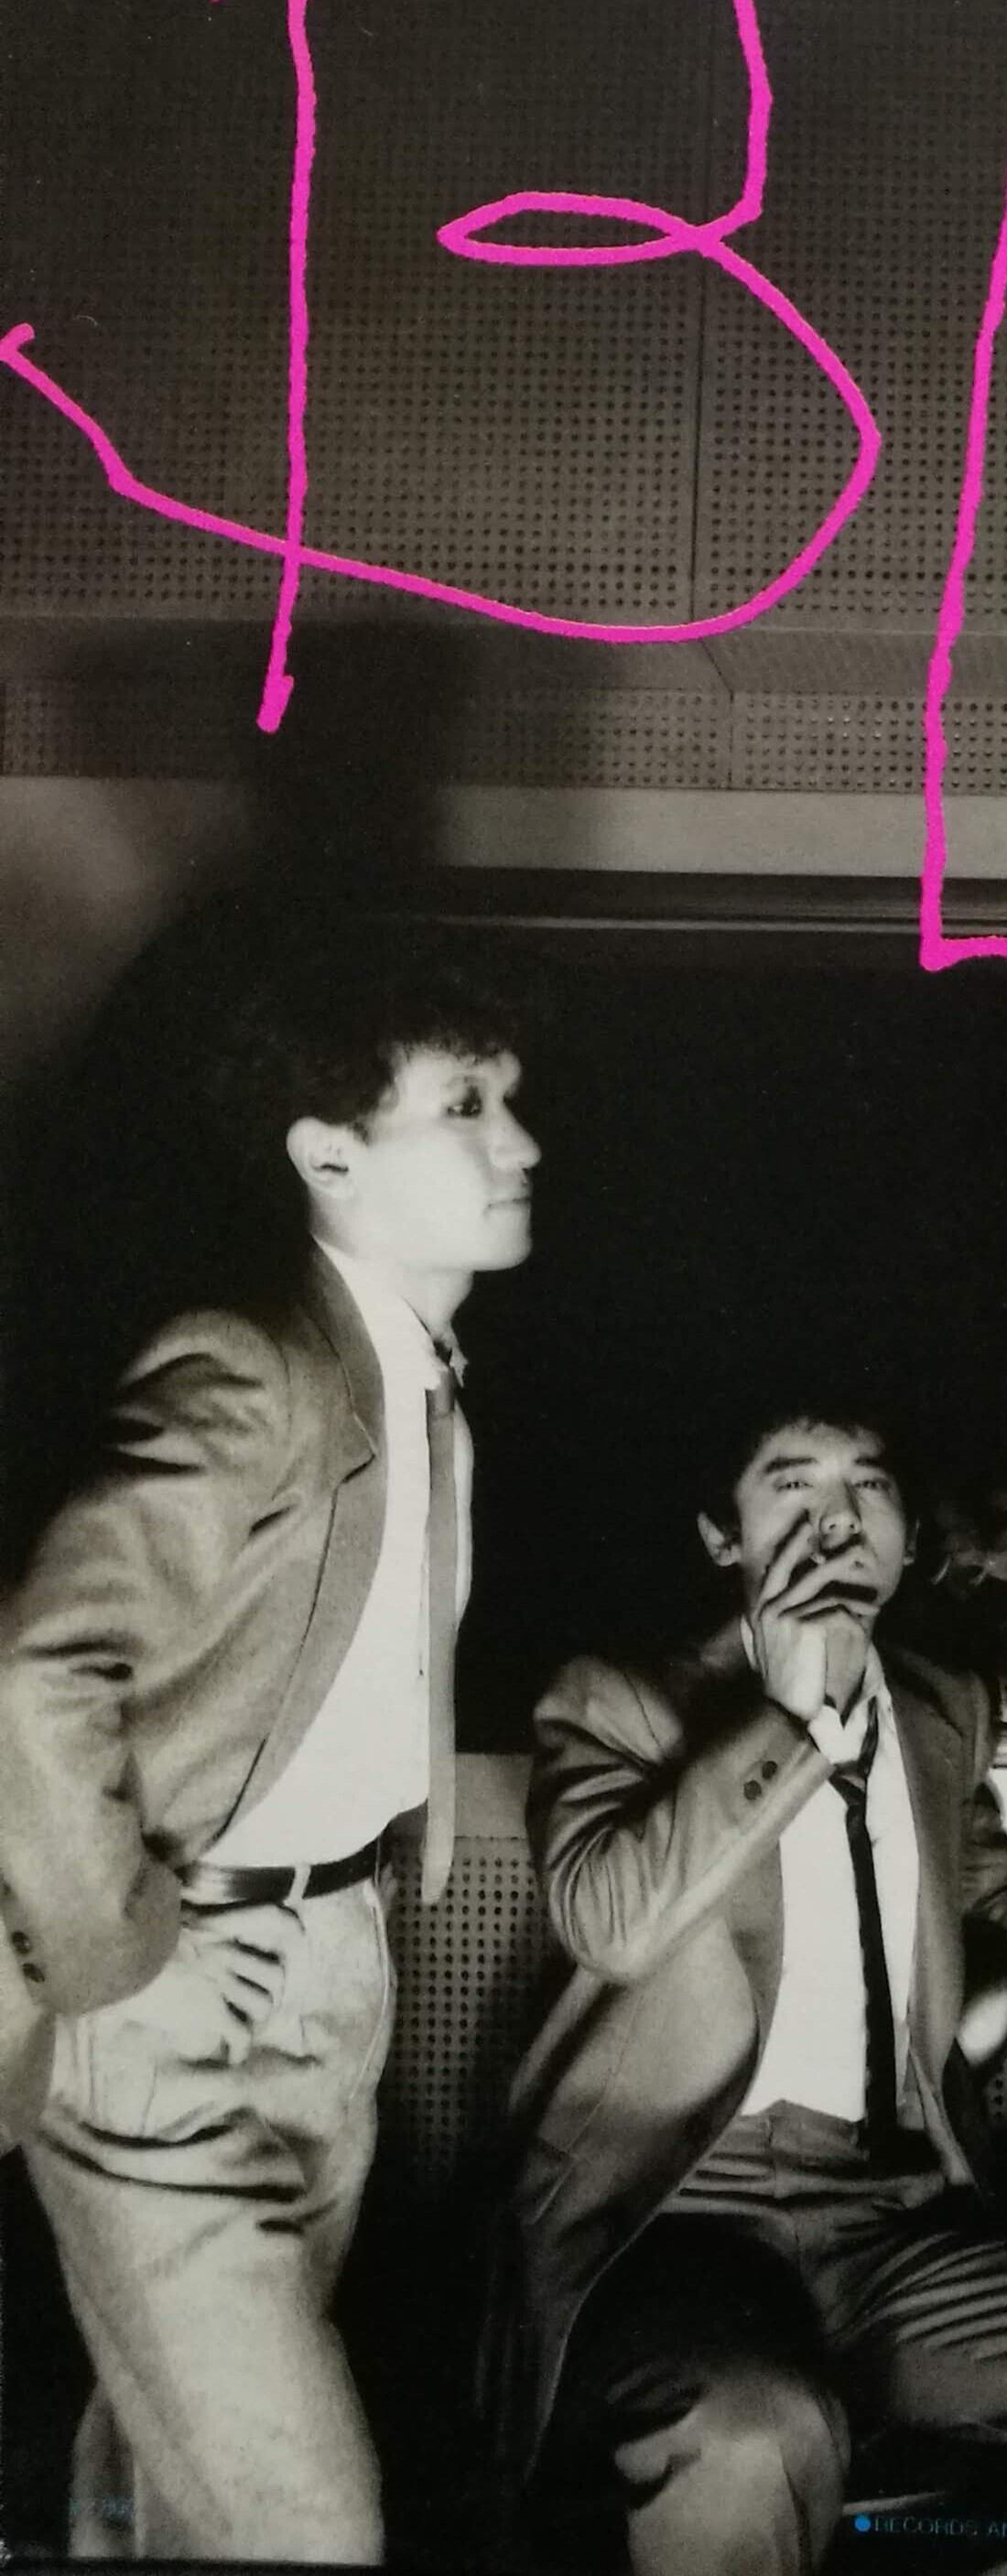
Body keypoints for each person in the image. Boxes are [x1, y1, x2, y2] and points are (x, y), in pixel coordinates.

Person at [486, 1392, 1007, 2576]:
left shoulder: (941, 1708)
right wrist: (793, 1717)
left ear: (908, 1538)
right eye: (792, 1482)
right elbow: (610, 1919)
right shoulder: (619, 1700)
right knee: (753, 2431)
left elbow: (986, 1888)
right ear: (723, 1537)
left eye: (871, 1485)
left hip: (884, 2212)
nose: (838, 1520)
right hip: (671, 2220)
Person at [0, 929, 539, 2561]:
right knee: (304, 2529)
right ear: (329, 1157)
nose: (521, 1142)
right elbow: (35, 1667)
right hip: (172, 2007)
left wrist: (347, 1927)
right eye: (465, 1105)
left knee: (177, 2490)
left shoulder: (421, 1387)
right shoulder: (257, 1373)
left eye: (513, 1098)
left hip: (326, 1982)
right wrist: (122, 1953)